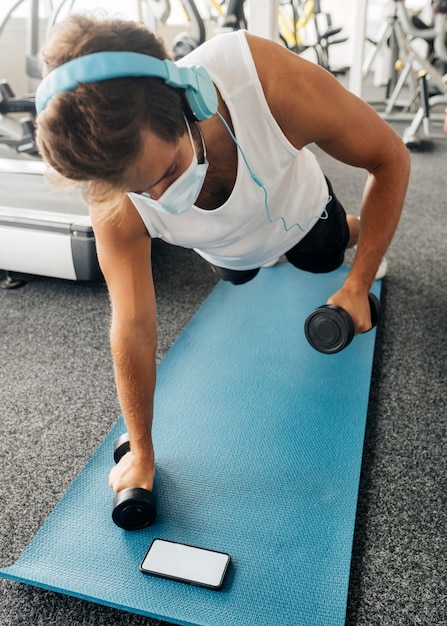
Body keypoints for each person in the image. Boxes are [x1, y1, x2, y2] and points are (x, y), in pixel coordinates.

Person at [35, 15, 410, 501]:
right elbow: (133, 325)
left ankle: (349, 232)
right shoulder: (110, 193)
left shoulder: (267, 83)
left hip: (301, 216)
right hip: (226, 249)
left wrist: (357, 284)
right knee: (238, 273)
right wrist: (142, 451)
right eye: (140, 189)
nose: (163, 198)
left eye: (169, 170)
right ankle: (262, 254)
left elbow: (390, 158)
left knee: (325, 254)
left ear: (191, 99)